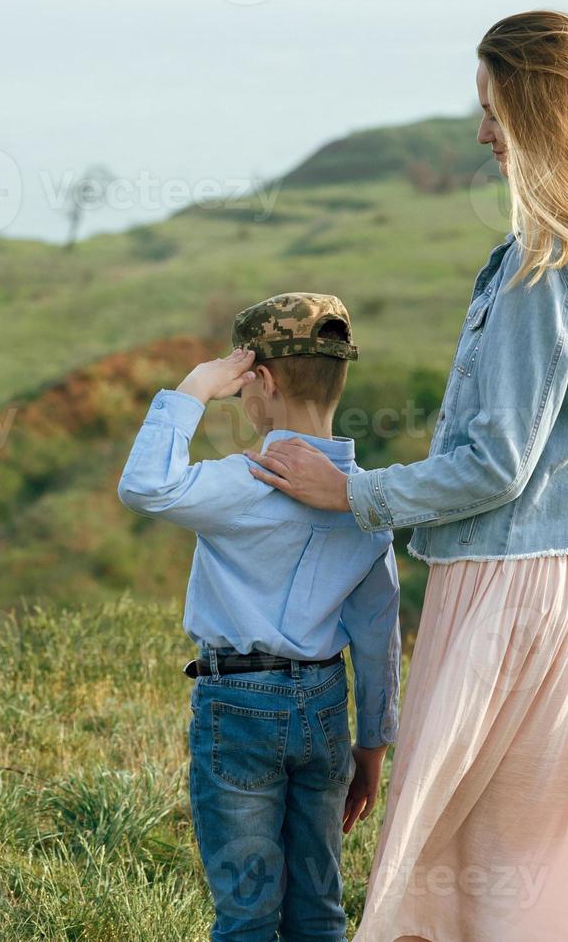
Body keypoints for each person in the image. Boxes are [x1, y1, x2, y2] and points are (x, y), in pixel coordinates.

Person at [246, 11, 568, 942]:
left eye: (493, 110)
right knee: (556, 852)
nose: (482, 133)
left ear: (542, 116)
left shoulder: (545, 266)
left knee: (449, 845)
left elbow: (493, 465)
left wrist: (353, 494)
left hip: (512, 586)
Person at [117, 293, 401, 942]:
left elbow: (144, 486)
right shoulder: (364, 501)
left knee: (247, 913)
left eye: (243, 387)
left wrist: (190, 390)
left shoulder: (243, 481)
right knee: (319, 911)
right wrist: (372, 749)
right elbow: (378, 638)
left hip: (238, 704)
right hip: (325, 709)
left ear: (262, 383)